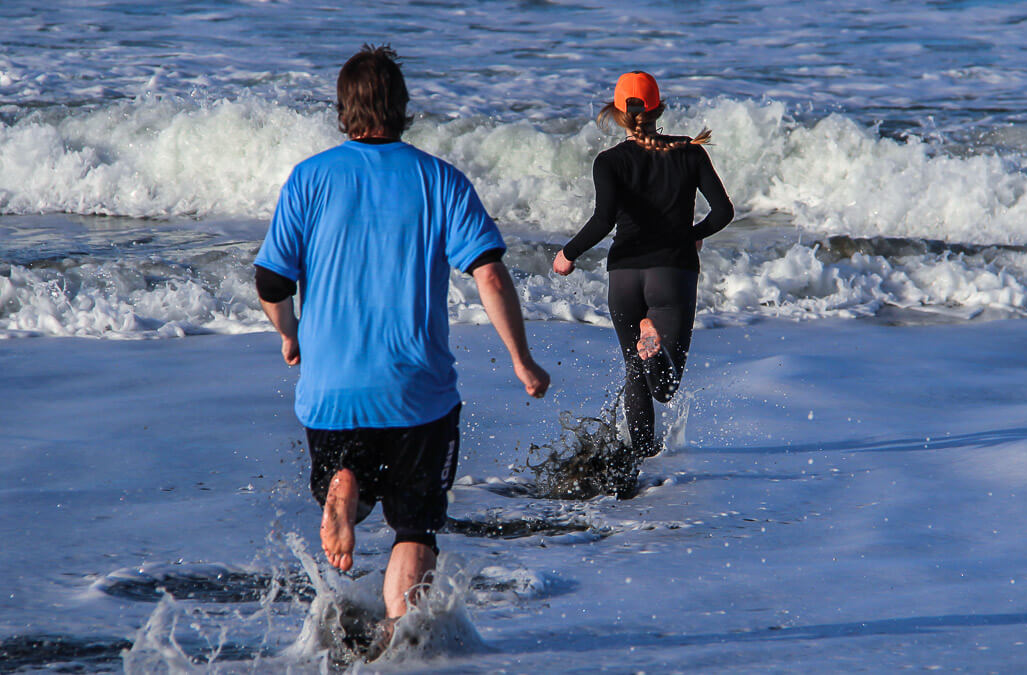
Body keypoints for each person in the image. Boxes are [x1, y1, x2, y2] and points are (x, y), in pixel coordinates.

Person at [254, 45, 550, 626]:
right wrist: (522, 359)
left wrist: (290, 334)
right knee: (415, 527)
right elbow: (488, 271)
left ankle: (346, 487)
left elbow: (270, 279)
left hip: (331, 392)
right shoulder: (439, 179)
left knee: (357, 474)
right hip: (416, 393)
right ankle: (400, 645)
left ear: (344, 109)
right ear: (403, 107)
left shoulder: (309, 178)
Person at [553, 71, 733, 480]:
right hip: (672, 272)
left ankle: (644, 460)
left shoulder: (609, 161)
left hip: (624, 277)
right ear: (659, 107)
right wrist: (692, 236)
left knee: (635, 370)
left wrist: (568, 253)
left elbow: (603, 220)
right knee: (664, 385)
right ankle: (652, 341)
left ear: (617, 112)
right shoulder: (690, 152)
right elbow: (723, 212)